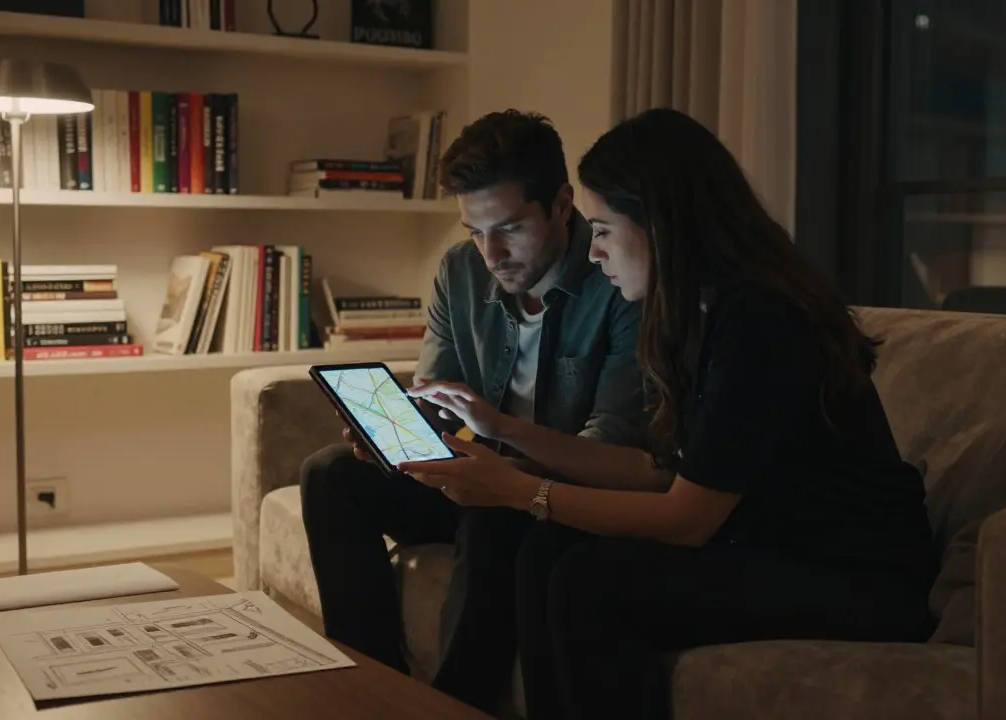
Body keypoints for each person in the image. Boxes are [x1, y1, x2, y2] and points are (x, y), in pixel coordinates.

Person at [400, 107, 939, 719]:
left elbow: (687, 519)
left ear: (661, 225)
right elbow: (660, 470)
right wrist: (501, 429)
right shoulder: (696, 313)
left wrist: (519, 490)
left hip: (850, 573)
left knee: (586, 580)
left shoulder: (761, 320)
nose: (595, 253)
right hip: (765, 540)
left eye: (602, 230)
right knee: (547, 552)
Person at [298, 109, 644, 714]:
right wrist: (397, 433)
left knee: (493, 510)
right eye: (475, 230)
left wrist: (496, 461)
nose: (491, 252)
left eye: (509, 228)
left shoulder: (618, 277)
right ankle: (372, 692)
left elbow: (609, 444)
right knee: (331, 474)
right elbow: (438, 397)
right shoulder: (459, 270)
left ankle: (455, 707)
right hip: (474, 467)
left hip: (549, 490)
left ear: (563, 204)